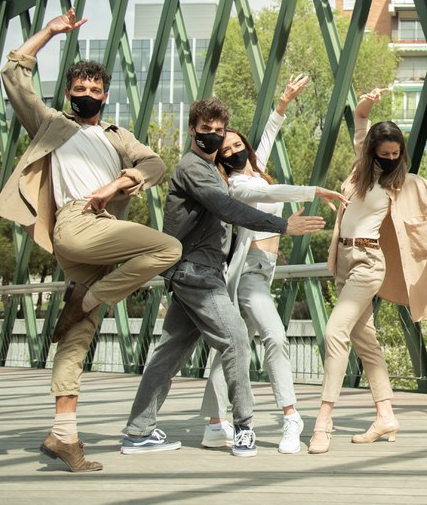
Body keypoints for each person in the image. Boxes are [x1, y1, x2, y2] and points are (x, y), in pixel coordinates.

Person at [0, 9, 182, 473]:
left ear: (105, 96)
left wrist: (117, 184)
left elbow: (155, 165)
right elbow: (13, 72)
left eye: (95, 91)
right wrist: (50, 32)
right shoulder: (51, 124)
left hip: (101, 233)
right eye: (79, 90)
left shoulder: (118, 136)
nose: (86, 96)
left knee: (78, 335)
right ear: (69, 94)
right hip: (76, 224)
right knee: (167, 248)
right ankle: (92, 297)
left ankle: (64, 434)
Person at [121, 97, 325, 458]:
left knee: (168, 354)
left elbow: (255, 167)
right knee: (236, 341)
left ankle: (139, 431)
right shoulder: (194, 168)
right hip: (198, 272)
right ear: (192, 130)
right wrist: (283, 225)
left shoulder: (213, 169)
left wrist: (279, 108)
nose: (214, 138)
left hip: (192, 270)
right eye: (207, 131)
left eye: (219, 132)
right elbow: (228, 207)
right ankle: (245, 426)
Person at [309, 87, 427, 454]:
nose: (392, 159)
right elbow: (360, 119)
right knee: (367, 343)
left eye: (397, 153)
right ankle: (386, 415)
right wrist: (368, 102)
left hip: (369, 263)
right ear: (373, 150)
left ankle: (322, 421)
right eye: (386, 153)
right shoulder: (361, 170)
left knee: (334, 332)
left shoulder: (402, 182)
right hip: (344, 262)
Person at [199, 74, 346, 454]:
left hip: (263, 270)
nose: (233, 152)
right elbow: (268, 192)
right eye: (226, 149)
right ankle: (290, 414)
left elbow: (266, 140)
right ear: (220, 158)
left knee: (233, 345)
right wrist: (313, 191)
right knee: (275, 336)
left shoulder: (254, 170)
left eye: (237, 145)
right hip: (247, 274)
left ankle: (215, 424)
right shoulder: (236, 185)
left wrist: (282, 104)